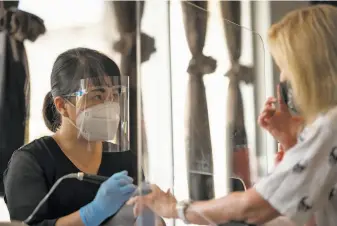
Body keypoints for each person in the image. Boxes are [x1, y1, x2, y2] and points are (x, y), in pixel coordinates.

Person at [128, 4, 337, 226]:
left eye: (286, 66)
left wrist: (174, 208)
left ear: (310, 68)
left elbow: (253, 208)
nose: (283, 77)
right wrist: (290, 142)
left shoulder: (330, 125)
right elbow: (304, 210)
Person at [3, 47, 157, 226]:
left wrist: (153, 216)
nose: (110, 105)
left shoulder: (124, 160)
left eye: (114, 95)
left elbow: (141, 216)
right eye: (97, 96)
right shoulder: (31, 162)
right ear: (61, 105)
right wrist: (93, 213)